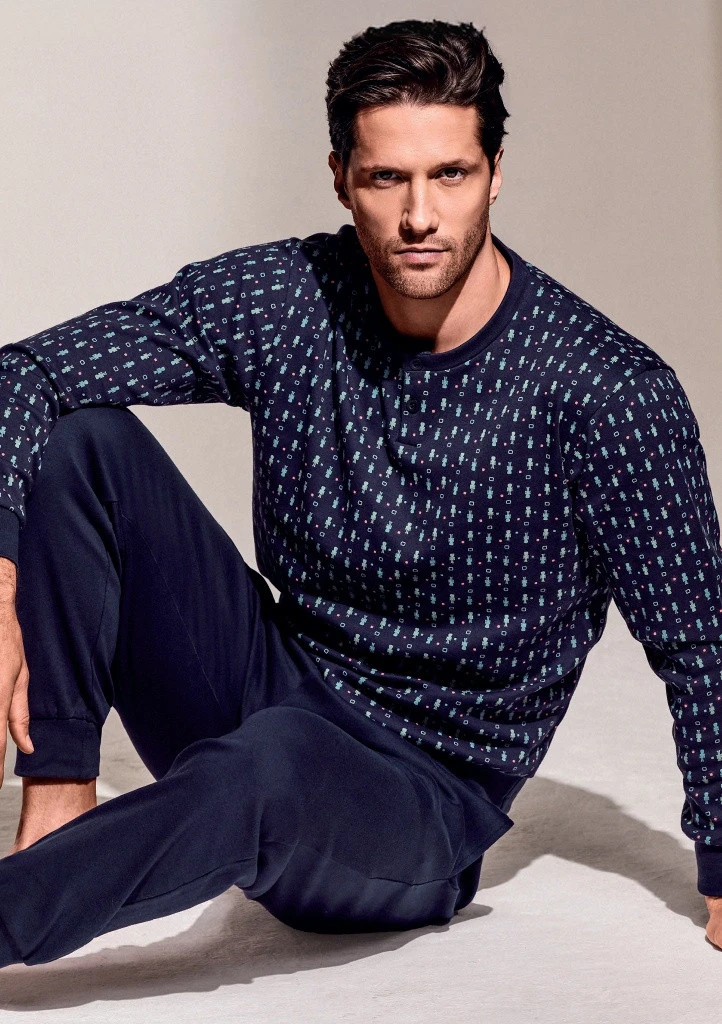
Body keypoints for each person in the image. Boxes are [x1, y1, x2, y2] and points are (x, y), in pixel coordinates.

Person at [0, 17, 720, 969]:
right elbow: (26, 372)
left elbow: (700, 640)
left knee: (269, 767)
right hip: (274, 687)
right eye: (387, 178)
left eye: (450, 175)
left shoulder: (603, 388)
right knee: (79, 436)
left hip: (421, 799)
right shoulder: (288, 299)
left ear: (495, 174)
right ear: (342, 178)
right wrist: (2, 574)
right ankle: (58, 796)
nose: (420, 215)